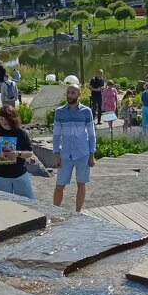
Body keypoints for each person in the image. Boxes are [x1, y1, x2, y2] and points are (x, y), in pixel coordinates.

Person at [52, 83, 96, 212]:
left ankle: (78, 212)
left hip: (83, 153)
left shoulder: (86, 111)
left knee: (81, 184)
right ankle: (55, 211)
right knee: (59, 185)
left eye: (73, 93)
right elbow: (56, 135)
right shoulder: (59, 112)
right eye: (68, 92)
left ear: (79, 94)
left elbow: (92, 133)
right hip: (65, 154)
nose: (70, 95)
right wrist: (56, 154)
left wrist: (92, 154)